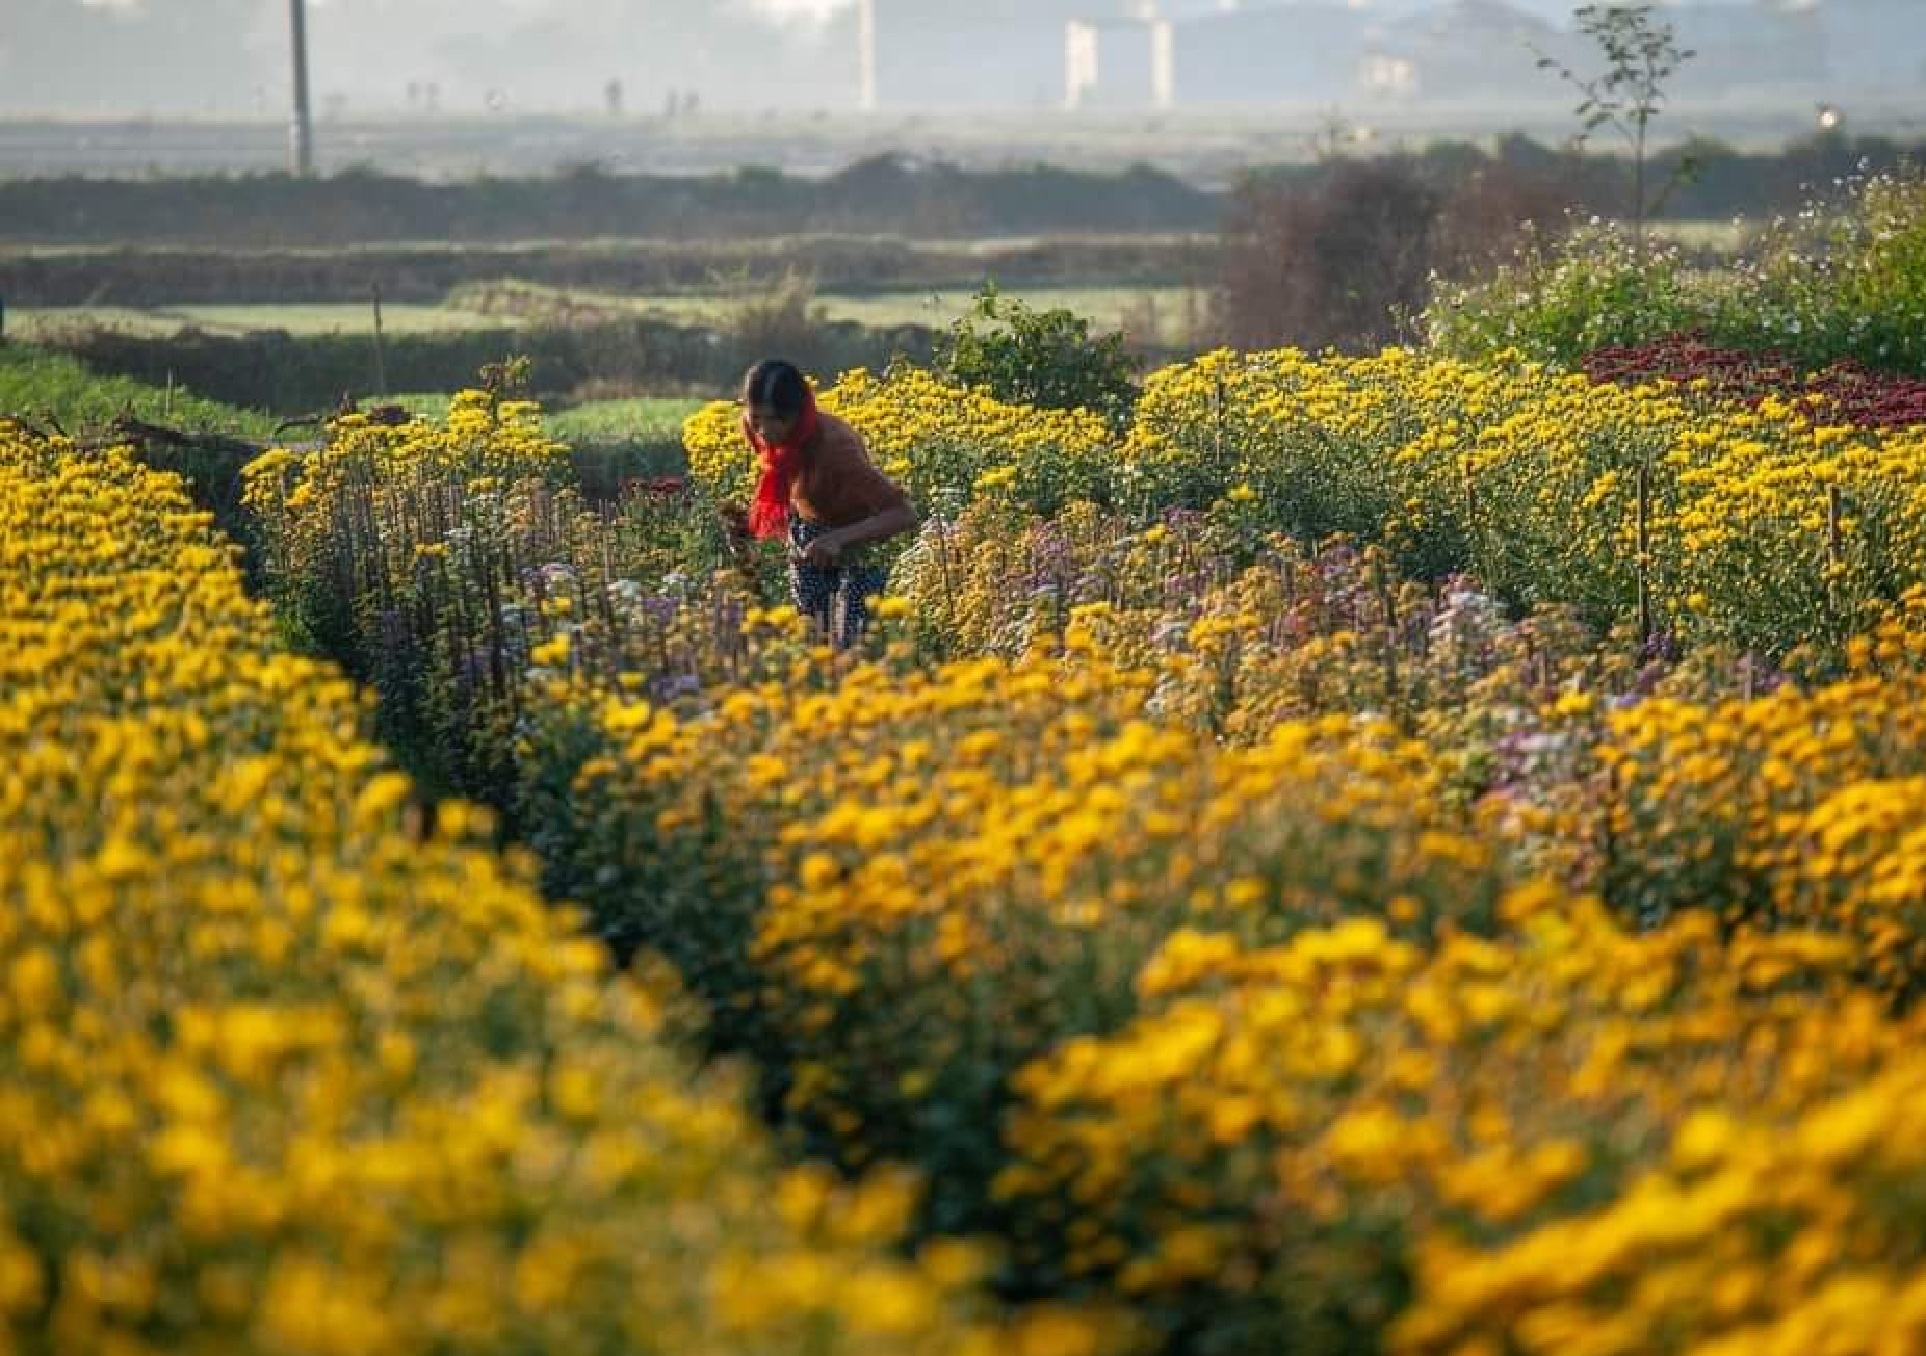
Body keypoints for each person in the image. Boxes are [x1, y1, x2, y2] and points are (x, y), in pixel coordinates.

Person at [734, 358, 917, 647]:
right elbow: (785, 478)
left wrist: (839, 539)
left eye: (773, 420)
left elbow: (902, 513)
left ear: (794, 414)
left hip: (860, 539)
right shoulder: (755, 427)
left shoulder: (835, 447)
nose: (763, 431)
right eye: (756, 418)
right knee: (812, 639)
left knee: (851, 646)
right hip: (810, 537)